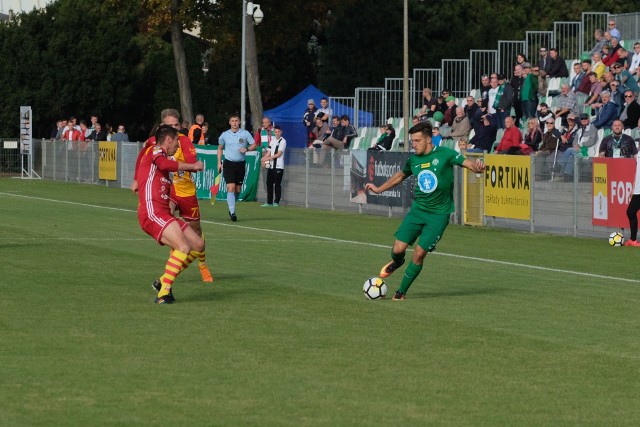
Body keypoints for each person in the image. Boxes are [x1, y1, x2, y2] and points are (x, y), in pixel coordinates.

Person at [364, 121, 484, 300]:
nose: (413, 144)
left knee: (419, 253)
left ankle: (401, 292)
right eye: (412, 141)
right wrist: (379, 189)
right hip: (418, 210)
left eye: (417, 140)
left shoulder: (446, 154)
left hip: (438, 215)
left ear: (429, 140)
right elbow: (400, 176)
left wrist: (478, 167)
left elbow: (469, 164)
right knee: (397, 249)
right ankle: (397, 262)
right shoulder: (414, 160)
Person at [132, 108, 214, 283]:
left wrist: (189, 166)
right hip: (169, 191)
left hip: (185, 190)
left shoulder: (183, 141)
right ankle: (166, 282)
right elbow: (142, 157)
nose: (175, 128)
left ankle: (202, 264)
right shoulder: (155, 142)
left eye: (177, 125)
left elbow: (193, 162)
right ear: (163, 126)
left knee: (197, 235)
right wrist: (136, 179)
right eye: (171, 125)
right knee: (170, 228)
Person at [136, 124, 205, 304]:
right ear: (168, 139)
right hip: (152, 212)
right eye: (176, 141)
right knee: (183, 247)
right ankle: (163, 294)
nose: (177, 146)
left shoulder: (161, 157)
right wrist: (193, 166)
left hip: (163, 213)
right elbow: (165, 163)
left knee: (198, 244)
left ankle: (163, 280)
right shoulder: (155, 149)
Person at [217, 114, 256, 221]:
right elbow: (220, 148)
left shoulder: (245, 133)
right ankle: (233, 212)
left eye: (236, 121)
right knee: (231, 187)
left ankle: (232, 207)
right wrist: (219, 163)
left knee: (237, 190)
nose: (234, 123)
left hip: (240, 164)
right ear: (229, 123)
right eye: (232, 121)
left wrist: (247, 149)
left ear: (239, 122)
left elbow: (254, 144)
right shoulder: (224, 135)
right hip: (229, 164)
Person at [261, 125, 286, 207]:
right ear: (274, 132)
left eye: (279, 132)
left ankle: (276, 202)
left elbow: (278, 154)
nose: (277, 133)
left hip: (279, 166)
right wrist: (263, 158)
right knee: (269, 183)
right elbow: (269, 151)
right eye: (276, 132)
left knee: (277, 184)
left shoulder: (283, 141)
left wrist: (267, 158)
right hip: (271, 166)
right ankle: (269, 202)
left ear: (281, 132)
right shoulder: (272, 140)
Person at [625, 158, 640, 247]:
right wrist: (633, 187)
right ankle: (633, 240)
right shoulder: (638, 154)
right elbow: (637, 172)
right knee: (631, 212)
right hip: (638, 190)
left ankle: (633, 239)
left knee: (631, 212)